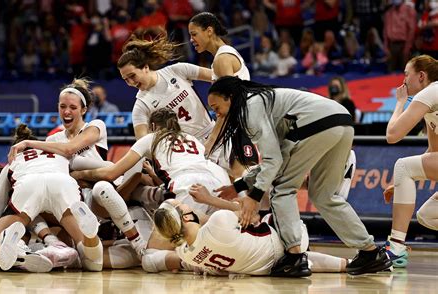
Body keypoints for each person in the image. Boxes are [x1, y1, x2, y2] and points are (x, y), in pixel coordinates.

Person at [208, 76, 392, 277]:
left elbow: (273, 161)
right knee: (324, 196)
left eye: (217, 107)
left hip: (315, 124)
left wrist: (254, 196)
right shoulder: (263, 102)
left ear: (231, 98)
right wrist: (240, 185)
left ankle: (294, 257)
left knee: (281, 189)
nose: (217, 115)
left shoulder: (249, 108)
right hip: (343, 121)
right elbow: (276, 160)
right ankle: (371, 253)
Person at [7, 78, 146, 260]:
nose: (66, 111)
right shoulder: (52, 140)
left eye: (72, 107)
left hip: (102, 188)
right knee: (33, 198)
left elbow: (69, 149)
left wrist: (27, 142)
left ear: (83, 110)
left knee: (104, 185)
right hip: (72, 196)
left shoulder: (95, 126)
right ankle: (47, 245)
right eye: (62, 106)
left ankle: (137, 240)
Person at [0, 124, 102, 272]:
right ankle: (90, 237)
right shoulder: (60, 153)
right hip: (62, 184)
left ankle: (2, 241)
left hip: (29, 184)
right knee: (93, 262)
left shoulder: (14, 160)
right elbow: (98, 167)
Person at [71, 107, 231, 216]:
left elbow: (111, 173)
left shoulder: (151, 138)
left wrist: (80, 174)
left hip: (187, 186)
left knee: (171, 246)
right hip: (214, 186)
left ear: (153, 125)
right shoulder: (192, 138)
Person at [153, 197, 349, 276]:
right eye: (180, 205)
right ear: (186, 217)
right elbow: (250, 213)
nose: (185, 202)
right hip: (282, 244)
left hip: (265, 269)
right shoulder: (218, 221)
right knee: (278, 200)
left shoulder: (183, 252)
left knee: (304, 259)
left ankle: (348, 264)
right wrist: (211, 200)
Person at [383, 54, 438, 268]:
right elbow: (434, 151)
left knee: (403, 165)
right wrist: (401, 183)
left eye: (407, 74)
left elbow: (392, 135)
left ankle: (395, 248)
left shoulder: (429, 92)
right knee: (427, 215)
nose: (403, 80)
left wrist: (399, 103)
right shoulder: (432, 96)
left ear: (421, 76)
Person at [188, 12, 258, 177]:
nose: (191, 40)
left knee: (246, 184)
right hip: (238, 124)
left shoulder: (222, 59)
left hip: (240, 125)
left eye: (194, 34)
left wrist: (211, 140)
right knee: (238, 182)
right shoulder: (221, 57)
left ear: (209, 31)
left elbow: (228, 104)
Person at [116, 34, 214, 142]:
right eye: (126, 79)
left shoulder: (177, 70)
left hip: (212, 133)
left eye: (132, 76)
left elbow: (216, 76)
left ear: (145, 67)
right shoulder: (141, 106)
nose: (131, 83)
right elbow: (141, 143)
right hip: (187, 151)